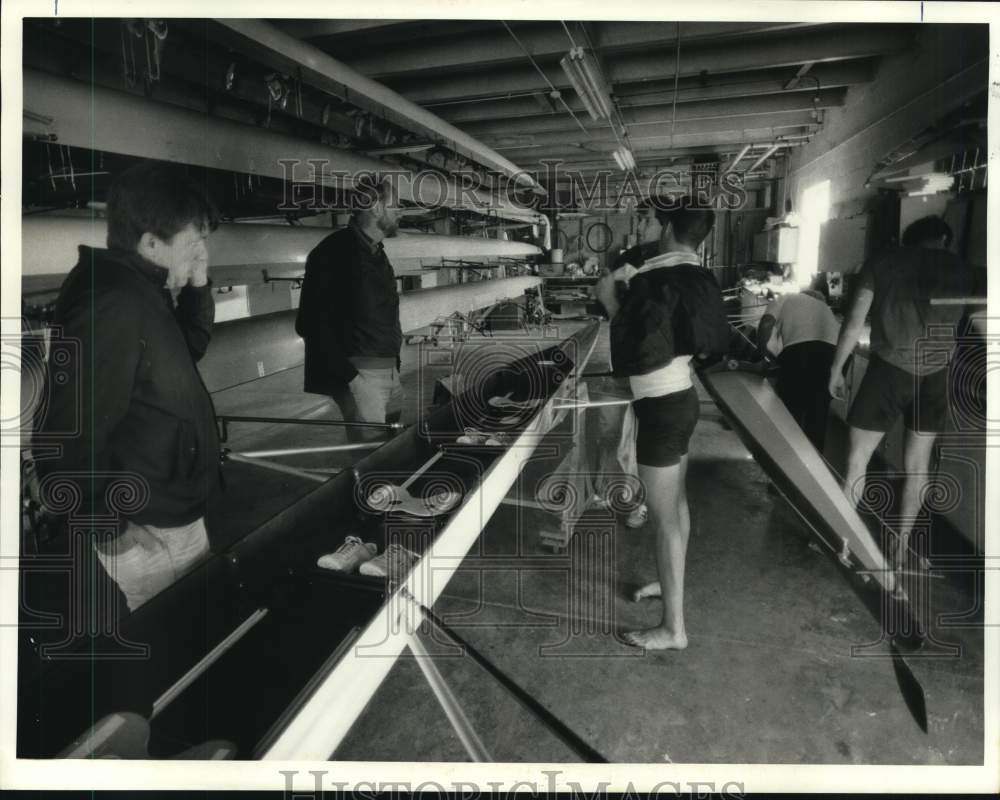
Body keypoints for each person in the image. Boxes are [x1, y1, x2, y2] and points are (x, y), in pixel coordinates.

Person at [33, 161, 221, 611]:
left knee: (200, 632)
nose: (201, 256)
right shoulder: (112, 302)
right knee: (183, 643)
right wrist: (106, 528)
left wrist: (197, 285)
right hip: (150, 526)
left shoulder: (138, 286)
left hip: (170, 506)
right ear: (151, 243)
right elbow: (67, 429)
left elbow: (186, 349)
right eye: (193, 245)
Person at [596, 196, 729, 650]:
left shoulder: (653, 279)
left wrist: (613, 289)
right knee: (677, 509)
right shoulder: (695, 275)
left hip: (663, 409)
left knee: (664, 518)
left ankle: (674, 629)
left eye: (653, 219)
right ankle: (668, 589)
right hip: (682, 399)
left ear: (668, 226)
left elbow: (629, 333)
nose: (648, 225)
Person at [828, 215, 982, 572]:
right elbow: (987, 325)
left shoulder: (883, 261)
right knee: (918, 468)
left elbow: (853, 323)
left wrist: (837, 369)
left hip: (889, 371)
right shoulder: (963, 268)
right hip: (936, 376)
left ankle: (842, 542)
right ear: (944, 238)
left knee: (857, 461)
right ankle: (899, 549)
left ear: (907, 238)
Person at [296, 177, 404, 441]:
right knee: (372, 460)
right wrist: (353, 380)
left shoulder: (377, 252)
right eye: (395, 205)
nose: (400, 211)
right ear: (376, 208)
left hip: (388, 371)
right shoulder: (333, 252)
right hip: (362, 376)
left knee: (393, 451)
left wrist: (395, 366)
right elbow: (309, 323)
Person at [757, 286, 840, 452]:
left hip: (800, 354)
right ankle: (813, 472)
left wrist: (763, 355)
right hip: (833, 357)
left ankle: (785, 465)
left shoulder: (786, 296)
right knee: (817, 420)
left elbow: (766, 324)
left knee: (788, 415)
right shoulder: (826, 310)